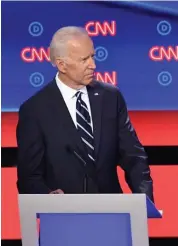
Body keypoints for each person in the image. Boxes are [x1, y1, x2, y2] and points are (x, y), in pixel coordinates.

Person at [16, 26, 154, 202]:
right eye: (84, 60)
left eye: (93, 56)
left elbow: (133, 157)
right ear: (61, 65)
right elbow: (29, 177)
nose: (93, 65)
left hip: (112, 212)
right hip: (63, 219)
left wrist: (144, 202)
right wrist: (47, 198)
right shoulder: (35, 110)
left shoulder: (110, 98)